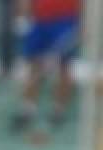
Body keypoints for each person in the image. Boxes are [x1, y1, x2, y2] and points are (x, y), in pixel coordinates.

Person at [12, 0, 80, 136]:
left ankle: (59, 109)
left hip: (65, 18)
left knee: (64, 66)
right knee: (33, 64)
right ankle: (28, 109)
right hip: (40, 18)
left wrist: (83, 23)